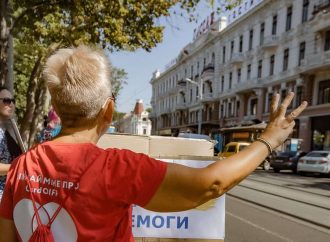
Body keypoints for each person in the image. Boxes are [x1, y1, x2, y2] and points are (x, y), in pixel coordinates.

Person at [0, 45, 307, 242]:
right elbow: (210, 184)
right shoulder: (115, 168)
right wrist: (268, 140)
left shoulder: (21, 167)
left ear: (55, 103)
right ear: (108, 110)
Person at [0, 87, 22, 202]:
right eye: (7, 101)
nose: (11, 104)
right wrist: (20, 167)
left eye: (13, 101)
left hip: (11, 195)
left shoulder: (11, 127)